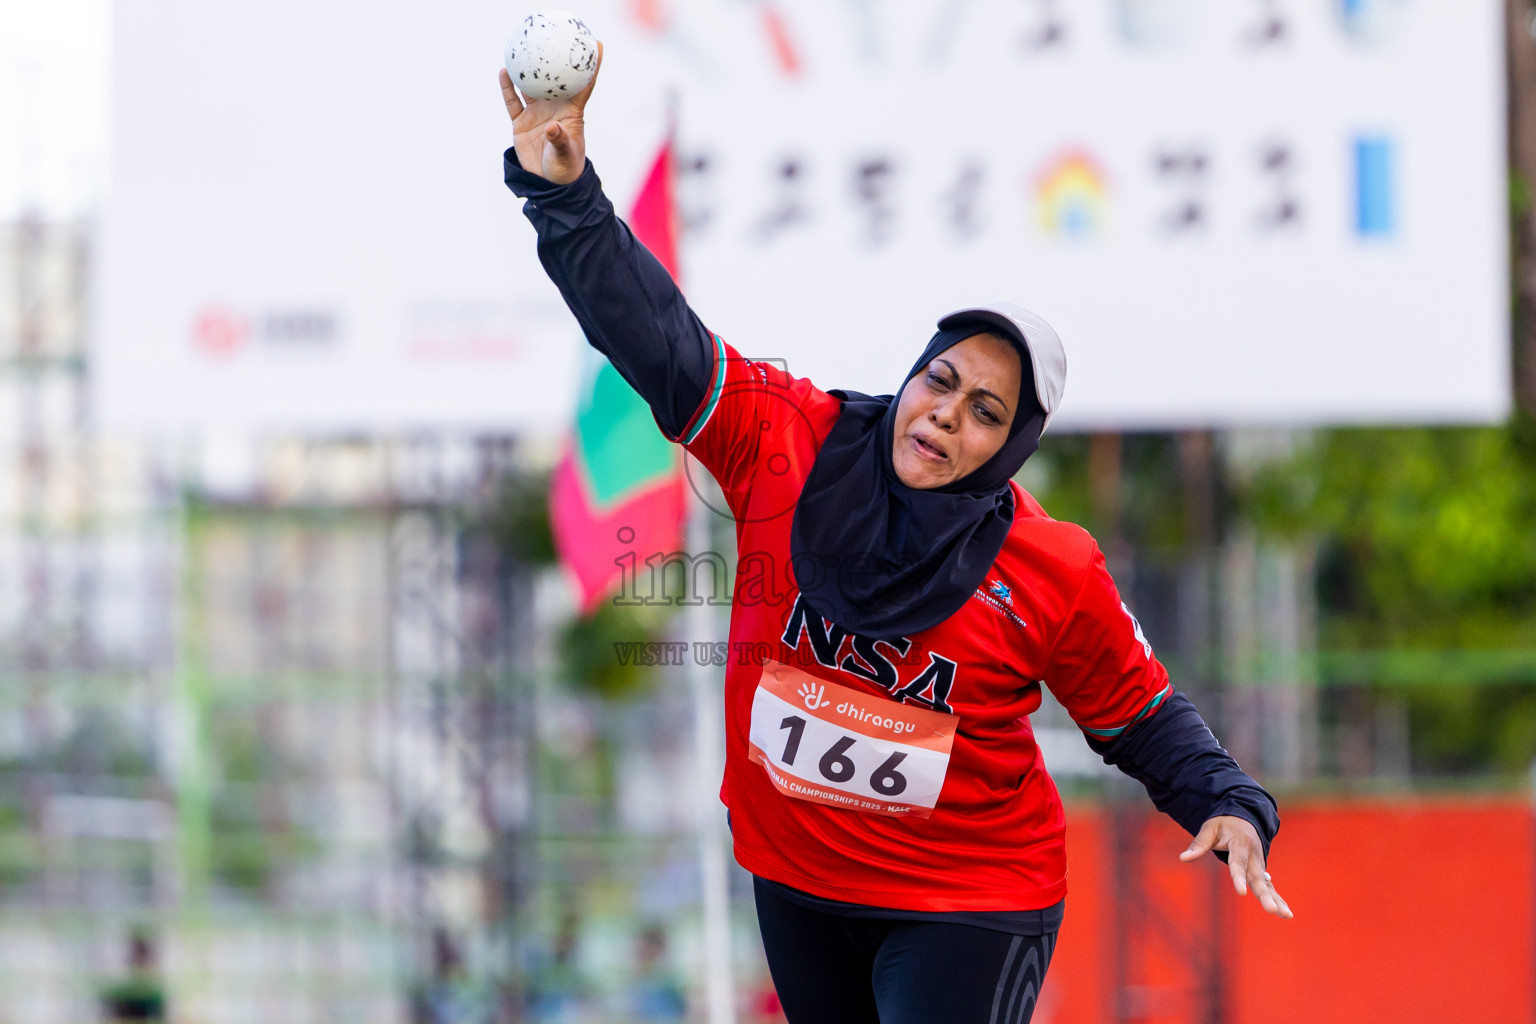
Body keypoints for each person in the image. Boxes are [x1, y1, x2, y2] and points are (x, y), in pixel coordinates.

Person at [499, 43, 1290, 1024]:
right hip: (797, 878)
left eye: (986, 411)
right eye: (942, 380)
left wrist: (1229, 800)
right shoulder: (789, 437)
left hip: (970, 898)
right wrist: (562, 194)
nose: (948, 414)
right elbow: (654, 335)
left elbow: (1137, 715)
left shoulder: (1051, 566)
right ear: (912, 374)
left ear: (1012, 447)